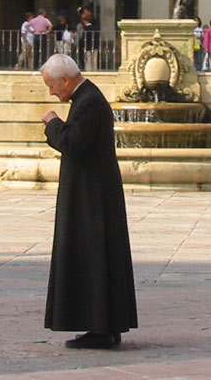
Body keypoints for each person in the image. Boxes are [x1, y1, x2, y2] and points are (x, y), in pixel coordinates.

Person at [39, 54, 137, 349]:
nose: (51, 92)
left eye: (52, 86)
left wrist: (53, 123)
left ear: (65, 80)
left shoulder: (89, 101)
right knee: (95, 259)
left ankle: (101, 328)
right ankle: (101, 325)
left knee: (94, 258)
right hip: (91, 195)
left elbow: (74, 143)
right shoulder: (87, 98)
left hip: (91, 199)